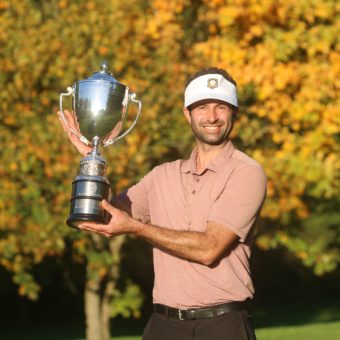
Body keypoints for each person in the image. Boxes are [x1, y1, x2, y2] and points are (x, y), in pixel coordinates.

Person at [58, 67, 267, 340]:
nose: (212, 117)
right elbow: (102, 217)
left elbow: (210, 248)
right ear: (187, 114)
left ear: (234, 113)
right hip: (163, 325)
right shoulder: (162, 175)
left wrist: (138, 228)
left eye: (222, 107)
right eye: (202, 107)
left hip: (223, 325)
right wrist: (92, 158)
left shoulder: (247, 172)